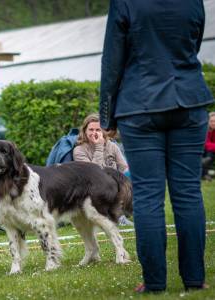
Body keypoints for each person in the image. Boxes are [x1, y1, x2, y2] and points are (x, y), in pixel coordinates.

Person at [100, 0, 213, 293]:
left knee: (149, 196)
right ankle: (194, 280)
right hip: (189, 98)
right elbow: (194, 41)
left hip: (140, 103)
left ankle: (154, 283)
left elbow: (112, 59)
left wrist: (106, 116)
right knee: (188, 193)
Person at [72, 113, 133, 226]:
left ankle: (136, 211)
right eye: (91, 129)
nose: (94, 133)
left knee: (133, 174)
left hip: (116, 187)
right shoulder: (79, 150)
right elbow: (92, 175)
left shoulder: (112, 146)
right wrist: (99, 147)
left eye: (98, 130)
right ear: (85, 131)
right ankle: (117, 216)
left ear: (104, 131)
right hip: (92, 190)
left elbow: (124, 168)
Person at [202, 112, 215, 180]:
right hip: (203, 149)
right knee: (209, 155)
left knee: (210, 153)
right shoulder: (204, 129)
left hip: (211, 150)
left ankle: (205, 173)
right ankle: (205, 174)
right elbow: (206, 144)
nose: (213, 123)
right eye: (211, 121)